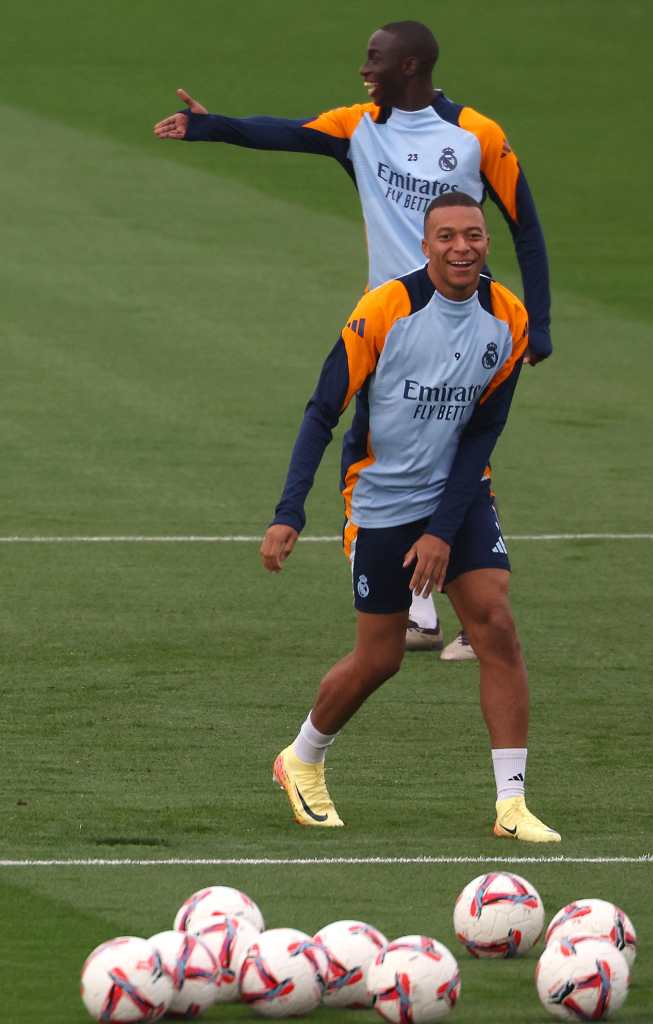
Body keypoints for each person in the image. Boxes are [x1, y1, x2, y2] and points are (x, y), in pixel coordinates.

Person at [153, 20, 553, 661]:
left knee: (450, 442)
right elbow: (287, 132)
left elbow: (524, 226)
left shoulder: (477, 135)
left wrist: (542, 324)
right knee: (392, 442)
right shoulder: (360, 126)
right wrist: (211, 125)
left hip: (463, 315)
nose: (364, 70)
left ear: (413, 66)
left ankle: (457, 607)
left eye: (376, 59)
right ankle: (423, 607)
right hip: (389, 319)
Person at [260, 193, 560, 844]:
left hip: (457, 489)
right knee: (382, 658)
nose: (461, 247)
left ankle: (512, 804)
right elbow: (321, 410)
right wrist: (290, 512)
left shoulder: (506, 317)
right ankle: (302, 758)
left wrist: (442, 531)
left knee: (496, 623)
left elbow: (483, 431)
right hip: (380, 498)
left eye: (474, 235)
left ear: (487, 243)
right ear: (425, 246)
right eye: (446, 236)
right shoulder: (385, 310)